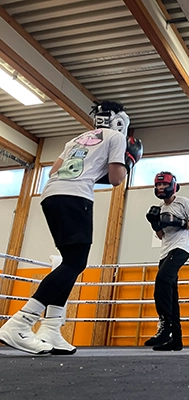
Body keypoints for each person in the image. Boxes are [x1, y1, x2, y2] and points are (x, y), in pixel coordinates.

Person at [0, 100, 143, 355]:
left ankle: (51, 329)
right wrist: (129, 160)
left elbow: (54, 171)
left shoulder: (76, 140)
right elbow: (116, 178)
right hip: (76, 197)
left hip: (51, 195)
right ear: (120, 120)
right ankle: (20, 323)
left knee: (70, 262)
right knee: (75, 263)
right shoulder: (116, 138)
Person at [144, 171, 189, 351]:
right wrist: (154, 224)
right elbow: (161, 235)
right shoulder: (160, 208)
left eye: (164, 184)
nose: (161, 187)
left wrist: (180, 222)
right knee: (171, 294)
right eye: (158, 185)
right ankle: (176, 340)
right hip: (165, 252)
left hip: (180, 249)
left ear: (173, 186)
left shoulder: (183, 202)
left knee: (162, 281)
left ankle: (165, 327)